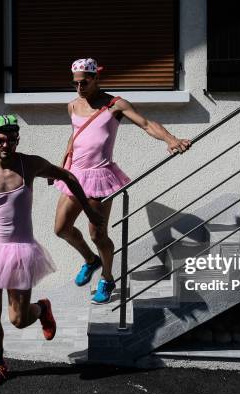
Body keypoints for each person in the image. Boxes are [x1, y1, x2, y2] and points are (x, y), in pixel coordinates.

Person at [0, 114, 104, 390]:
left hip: (20, 252)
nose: (6, 145)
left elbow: (67, 176)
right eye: (0, 140)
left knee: (18, 319)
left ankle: (41, 309)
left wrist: (88, 211)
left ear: (17, 139)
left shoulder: (30, 165)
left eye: (11, 139)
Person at [53, 58, 191, 304]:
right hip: (74, 175)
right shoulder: (72, 106)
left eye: (84, 82)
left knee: (97, 234)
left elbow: (146, 124)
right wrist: (61, 168)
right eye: (75, 84)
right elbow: (74, 138)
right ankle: (90, 260)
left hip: (99, 176)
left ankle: (106, 278)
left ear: (97, 78)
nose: (79, 88)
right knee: (61, 228)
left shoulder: (114, 105)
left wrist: (171, 139)